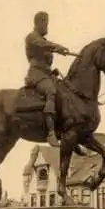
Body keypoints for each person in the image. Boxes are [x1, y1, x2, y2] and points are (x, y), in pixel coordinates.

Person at [25, 11, 69, 147]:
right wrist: (58, 47)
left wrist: (58, 52)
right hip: (36, 74)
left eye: (47, 23)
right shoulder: (32, 37)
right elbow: (43, 45)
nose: (47, 27)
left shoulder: (44, 41)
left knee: (65, 91)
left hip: (46, 74)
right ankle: (50, 133)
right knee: (50, 91)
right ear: (38, 23)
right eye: (45, 23)